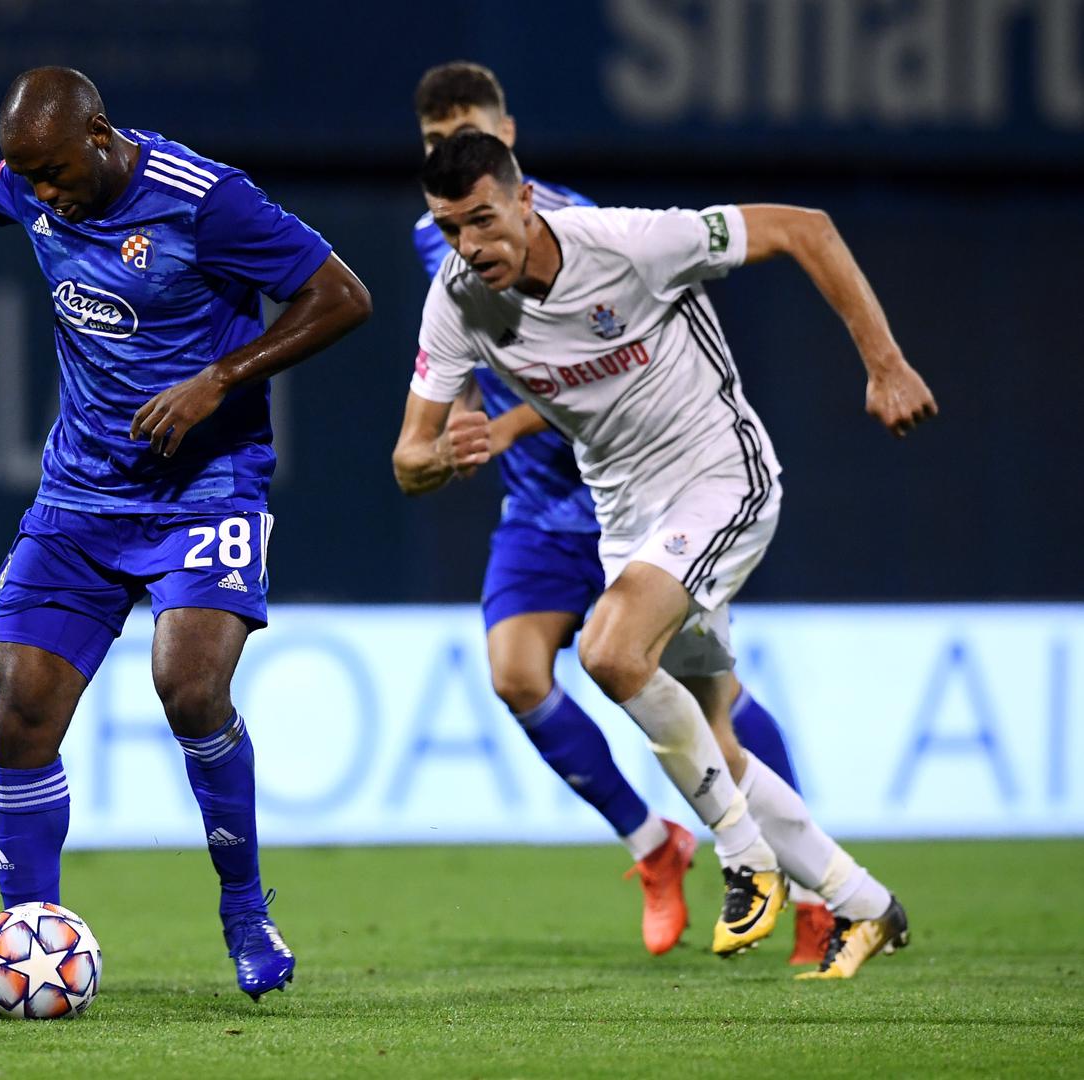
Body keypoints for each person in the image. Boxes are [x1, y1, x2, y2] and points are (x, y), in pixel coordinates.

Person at [0, 67, 371, 1010]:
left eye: (55, 172)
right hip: (81, 498)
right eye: (30, 178)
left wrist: (221, 378)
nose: (42, 193)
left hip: (206, 491)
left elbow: (342, 296)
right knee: (19, 708)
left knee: (189, 685)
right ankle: (25, 941)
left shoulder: (205, 201)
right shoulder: (30, 177)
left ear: (99, 133)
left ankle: (244, 911)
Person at [395, 131, 934, 978]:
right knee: (716, 737)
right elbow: (408, 458)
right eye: (449, 226)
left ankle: (743, 854)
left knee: (610, 651)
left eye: (483, 219)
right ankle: (865, 905)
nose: (471, 245)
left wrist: (886, 364)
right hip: (627, 517)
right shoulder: (457, 301)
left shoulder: (629, 243)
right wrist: (440, 456)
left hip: (723, 475)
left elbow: (807, 228)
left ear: (526, 198)